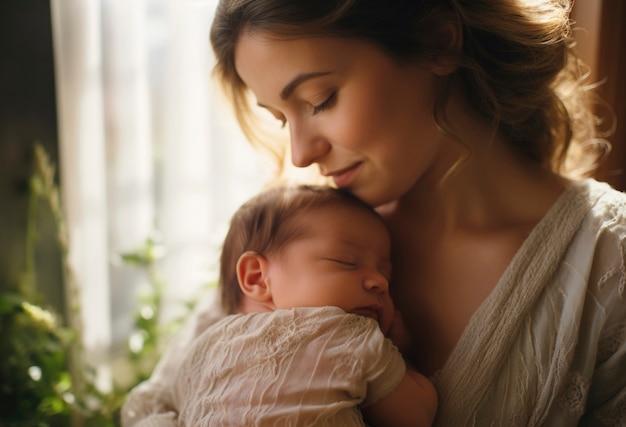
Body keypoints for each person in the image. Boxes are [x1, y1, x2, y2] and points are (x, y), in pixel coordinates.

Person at [123, 0, 626, 425]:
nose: (299, 155)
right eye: (281, 118)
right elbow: (154, 405)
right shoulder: (302, 231)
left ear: (437, 41)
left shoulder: (610, 263)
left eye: (320, 100)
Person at [123, 185, 437, 426]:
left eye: (386, 274)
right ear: (257, 278)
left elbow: (158, 410)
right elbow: (418, 413)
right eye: (346, 262)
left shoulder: (201, 349)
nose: (379, 282)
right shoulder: (346, 333)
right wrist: (400, 352)